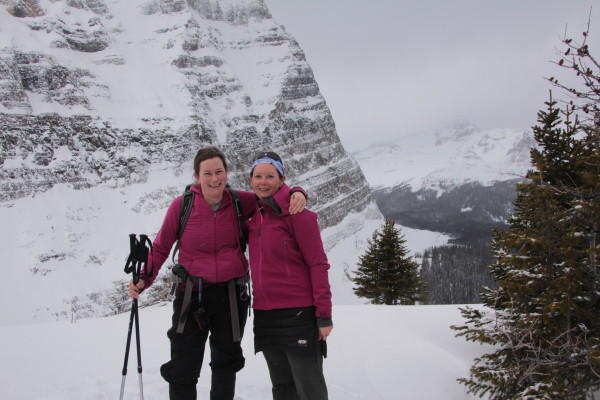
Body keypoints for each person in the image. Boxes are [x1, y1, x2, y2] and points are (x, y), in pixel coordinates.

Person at [128, 147, 307, 400]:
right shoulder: (182, 206)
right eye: (207, 173)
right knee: (183, 366)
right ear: (196, 176)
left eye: (219, 172)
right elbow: (160, 247)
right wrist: (145, 278)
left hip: (230, 296)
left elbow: (271, 192)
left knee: (226, 363)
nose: (214, 179)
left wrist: (299, 191)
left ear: (227, 172)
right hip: (191, 295)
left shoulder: (238, 200)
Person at [247, 152, 333, 400]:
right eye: (258, 176)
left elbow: (318, 265)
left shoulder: (299, 215)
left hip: (298, 315)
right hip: (265, 315)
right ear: (251, 179)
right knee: (282, 388)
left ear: (282, 177)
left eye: (270, 176)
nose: (263, 182)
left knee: (309, 388)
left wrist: (324, 315)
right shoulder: (254, 214)